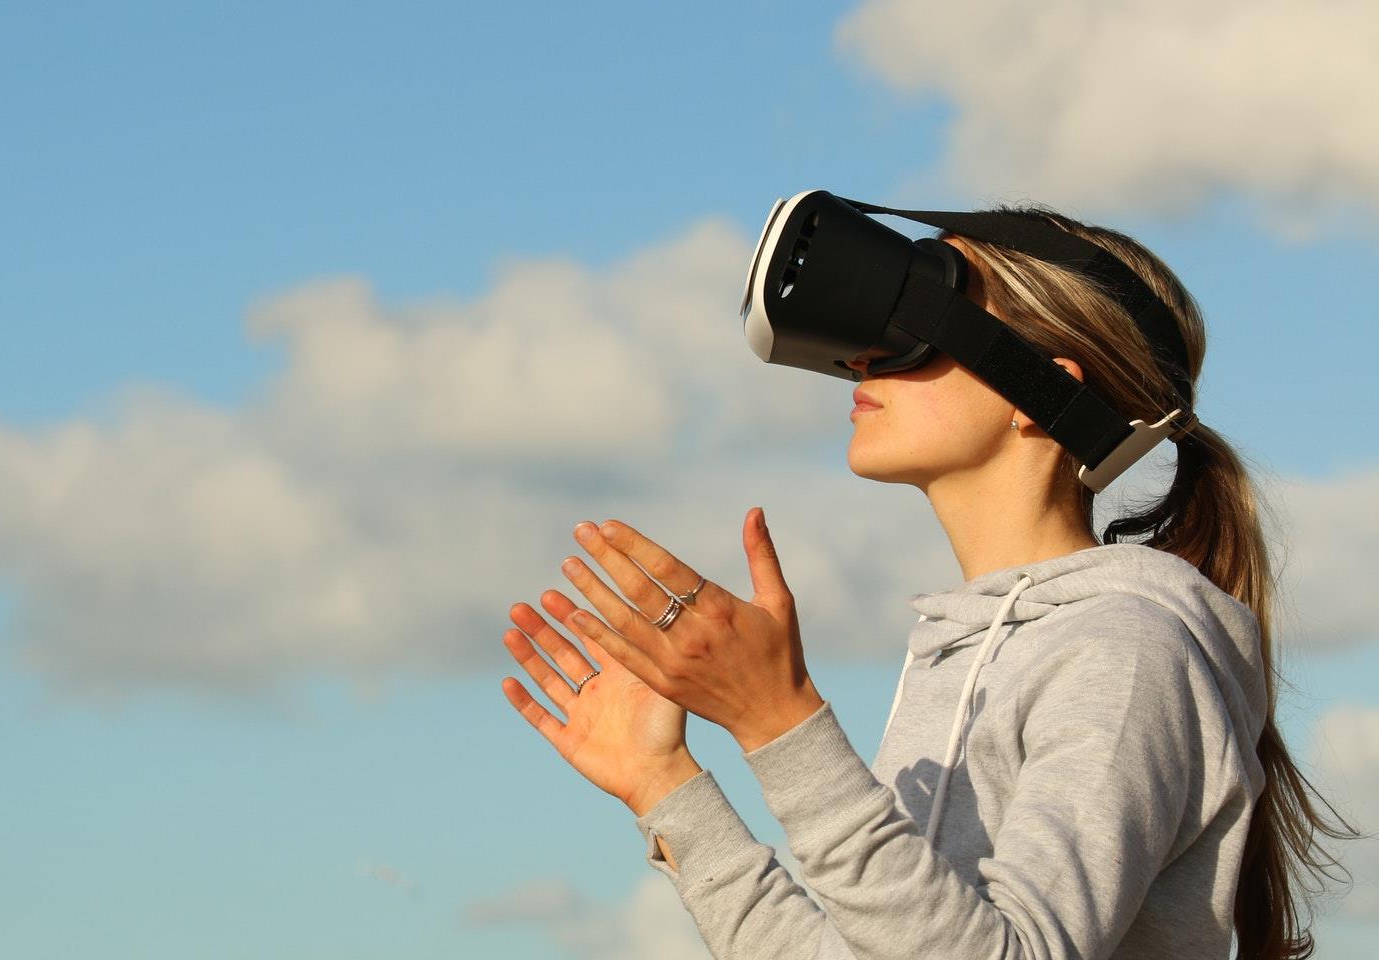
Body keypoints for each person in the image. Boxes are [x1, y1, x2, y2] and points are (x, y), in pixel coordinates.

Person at [498, 207, 1358, 959]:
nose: (865, 357)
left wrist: (779, 723)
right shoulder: (957, 657)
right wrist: (666, 787)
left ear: (1039, 392)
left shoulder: (1127, 651)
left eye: (917, 320)